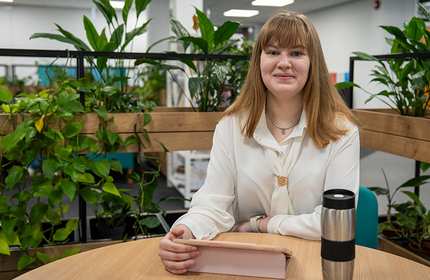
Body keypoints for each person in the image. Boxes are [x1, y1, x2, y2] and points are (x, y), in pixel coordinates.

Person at [159, 10, 359, 274]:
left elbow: (334, 222)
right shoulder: (231, 127)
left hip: (315, 266)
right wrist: (187, 230)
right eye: (273, 52)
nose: (284, 63)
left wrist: (263, 224)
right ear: (259, 61)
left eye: (297, 53)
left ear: (313, 63)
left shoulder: (342, 131)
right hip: (245, 266)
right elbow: (213, 204)